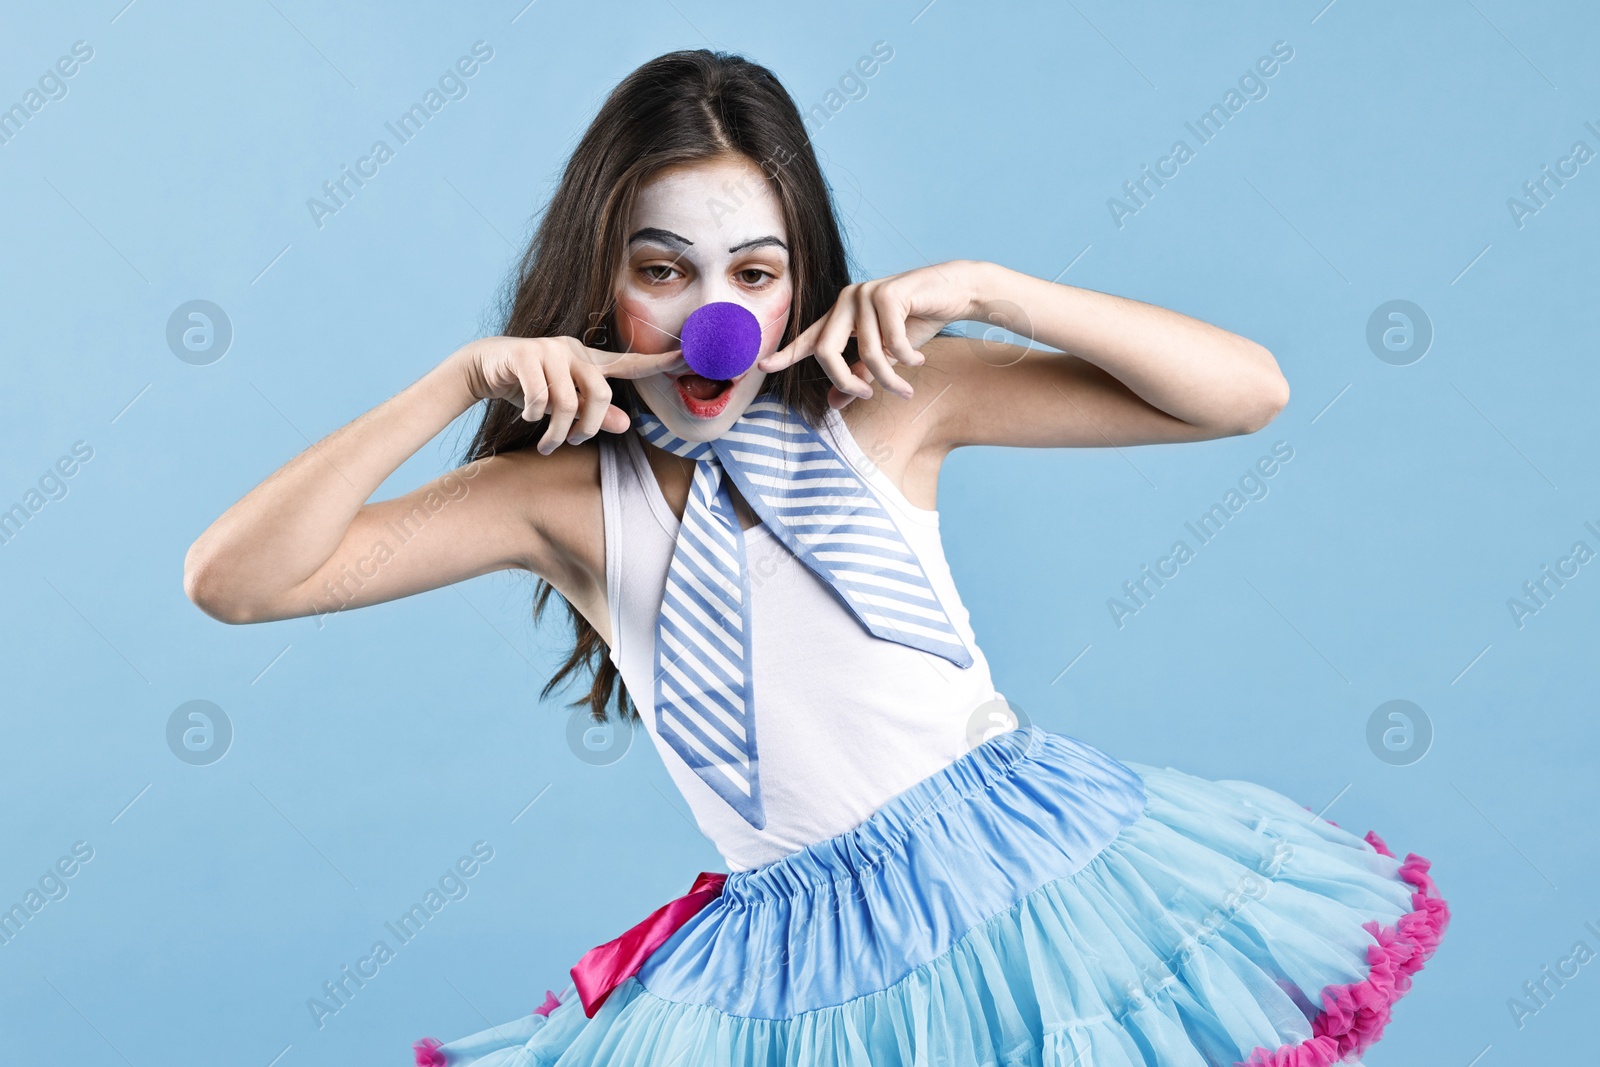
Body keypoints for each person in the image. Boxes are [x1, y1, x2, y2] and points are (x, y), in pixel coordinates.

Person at [184, 49, 1448, 1067]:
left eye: (753, 270)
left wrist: (997, 290)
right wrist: (452, 378)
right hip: (801, 970)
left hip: (1031, 887)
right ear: (601, 282)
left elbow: (1245, 394)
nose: (712, 314)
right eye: (662, 270)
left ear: (798, 289)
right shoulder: (556, 500)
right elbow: (236, 581)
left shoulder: (891, 402)